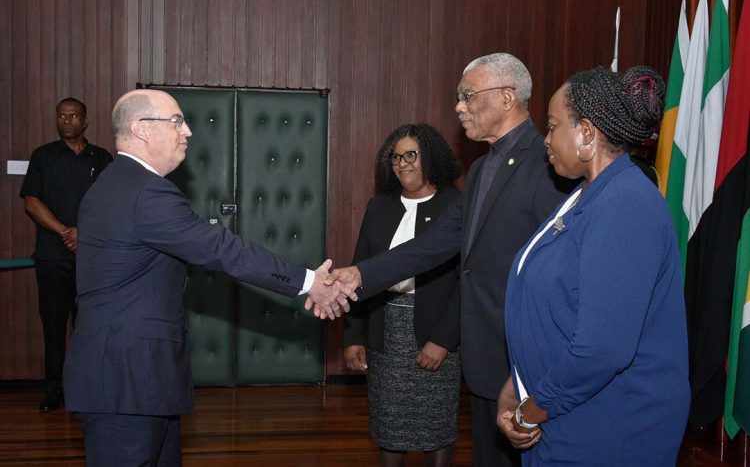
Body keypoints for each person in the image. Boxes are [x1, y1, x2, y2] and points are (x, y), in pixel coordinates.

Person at [62, 89, 353, 466]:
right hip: (126, 381)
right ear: (141, 129)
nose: (188, 131)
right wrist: (309, 282)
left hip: (139, 379)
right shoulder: (145, 192)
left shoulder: (115, 183)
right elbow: (222, 249)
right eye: (176, 121)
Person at [329, 53, 570, 466]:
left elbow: (557, 270)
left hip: (525, 358)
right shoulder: (480, 170)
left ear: (507, 97)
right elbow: (432, 245)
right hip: (484, 360)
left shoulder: (546, 164)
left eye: (468, 96)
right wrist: (357, 275)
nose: (458, 107)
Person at [498, 66, 689, 465]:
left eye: (552, 127)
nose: (545, 140)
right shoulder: (586, 194)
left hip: (608, 430)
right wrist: (516, 385)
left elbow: (602, 348)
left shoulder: (625, 206)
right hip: (565, 419)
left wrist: (531, 410)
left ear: (585, 133)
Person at [342, 124, 462, 467]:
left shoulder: (458, 206)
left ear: (432, 157)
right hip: (386, 330)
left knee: (436, 427)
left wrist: (443, 340)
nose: (402, 163)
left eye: (412, 155)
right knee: (390, 427)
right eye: (395, 157)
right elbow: (360, 270)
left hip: (437, 331)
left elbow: (464, 283)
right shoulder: (379, 207)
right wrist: (353, 335)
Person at [20, 97, 113, 412]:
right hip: (51, 258)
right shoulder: (42, 157)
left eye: (74, 115)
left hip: (93, 259)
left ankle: (90, 389)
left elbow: (112, 205)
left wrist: (83, 233)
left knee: (91, 326)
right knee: (54, 327)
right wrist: (65, 231)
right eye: (62, 115)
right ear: (56, 120)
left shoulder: (102, 159)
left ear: (85, 121)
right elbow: (31, 202)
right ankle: (54, 391)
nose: (67, 120)